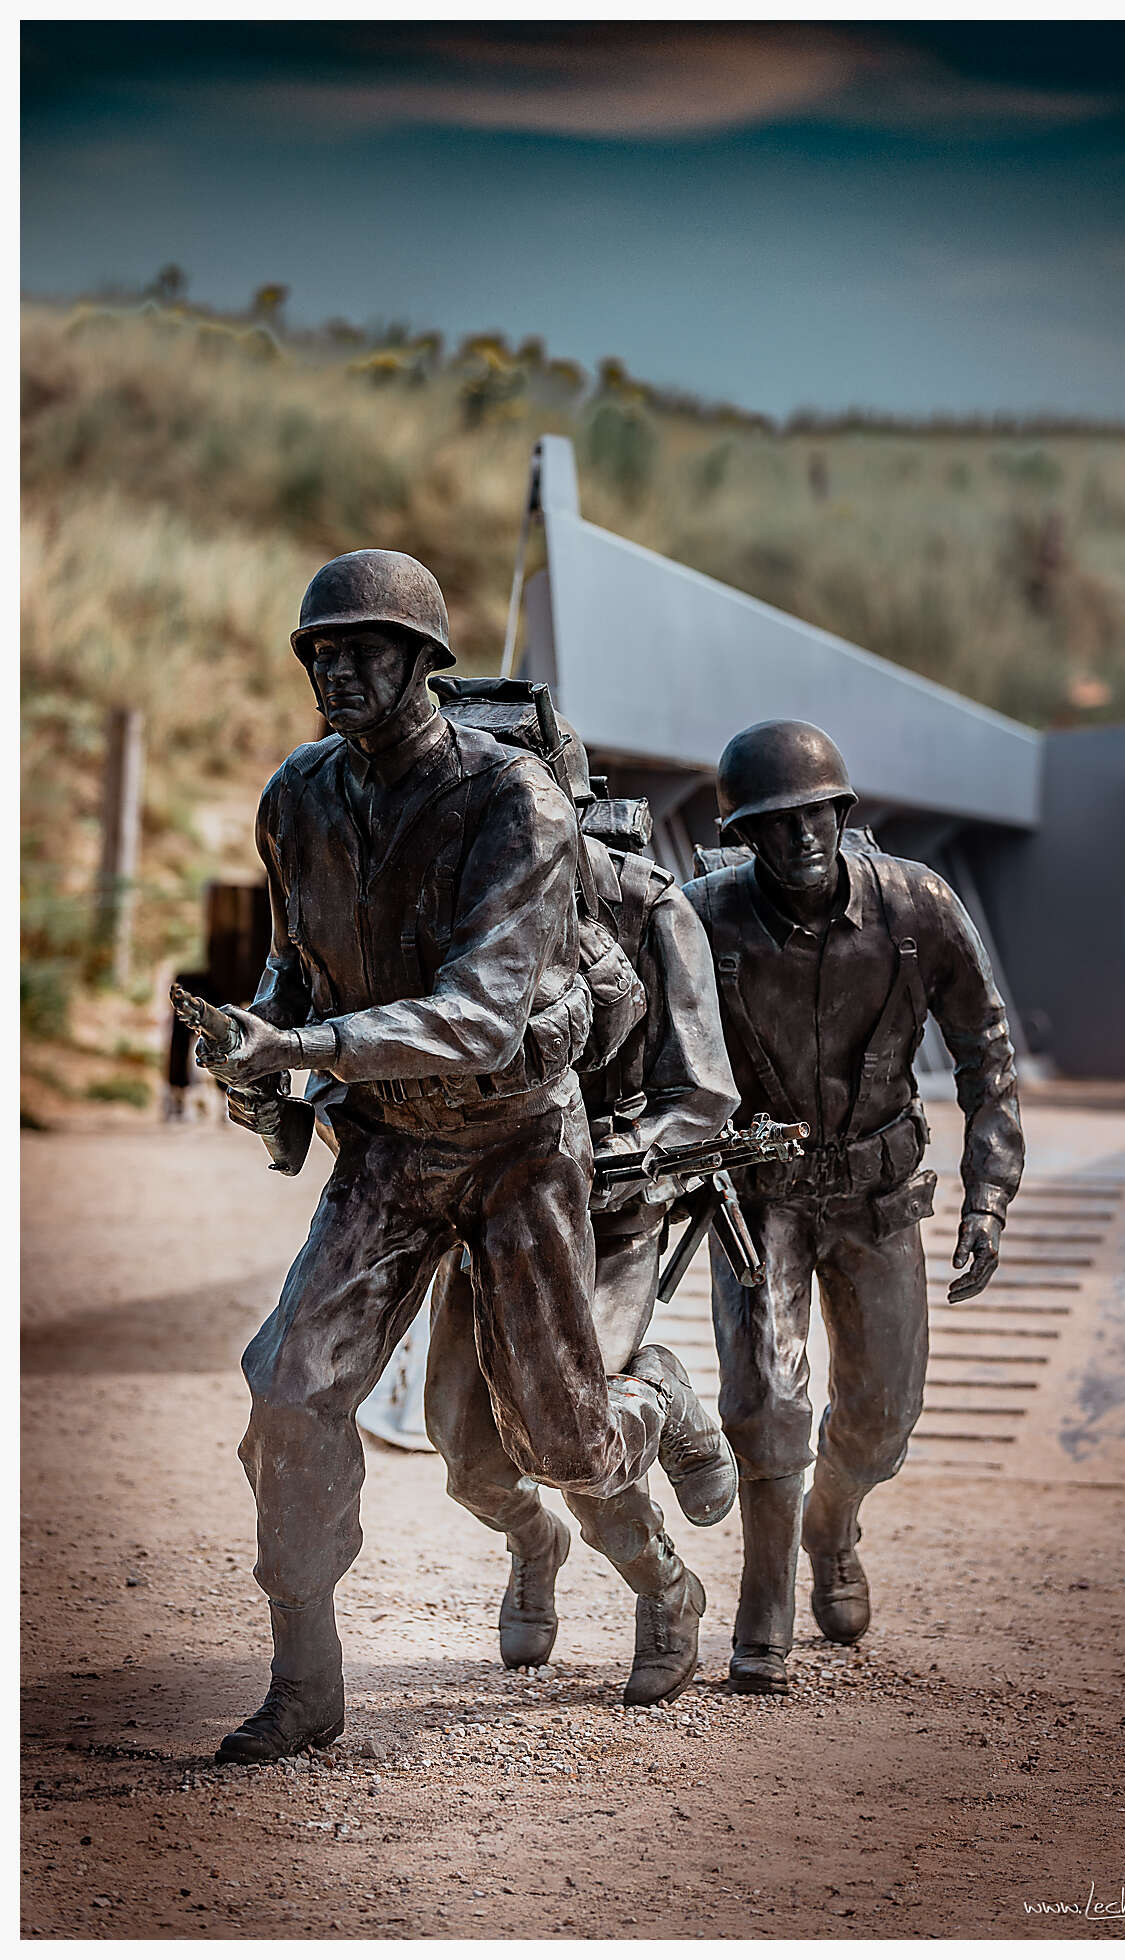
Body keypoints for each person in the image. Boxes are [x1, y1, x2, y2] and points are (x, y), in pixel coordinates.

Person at [193, 549, 735, 1762]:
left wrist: (305, 1043)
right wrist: (257, 1046)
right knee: (289, 1388)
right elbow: (296, 964)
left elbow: (483, 1015)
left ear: (422, 664)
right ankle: (304, 1680)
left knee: (556, 1435)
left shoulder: (512, 802)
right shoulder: (296, 797)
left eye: (362, 650)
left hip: (514, 1147)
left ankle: (661, 1514)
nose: (335, 669)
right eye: (320, 651)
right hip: (388, 1146)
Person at [684, 719, 1024, 1694]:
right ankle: (764, 1609)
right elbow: (646, 1050)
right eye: (774, 823)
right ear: (743, 834)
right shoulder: (700, 919)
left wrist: (988, 1193)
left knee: (880, 1419)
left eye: (815, 816)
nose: (800, 838)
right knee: (765, 1403)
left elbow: (986, 1050)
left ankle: (830, 1526)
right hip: (764, 1200)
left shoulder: (917, 907)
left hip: (878, 1196)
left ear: (843, 813)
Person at [427, 752, 739, 1705]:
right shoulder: (443, 902)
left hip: (607, 1219)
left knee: (572, 1434)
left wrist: (610, 1149)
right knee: (468, 1460)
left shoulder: (646, 906)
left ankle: (665, 1586)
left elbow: (704, 1095)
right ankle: (534, 1544)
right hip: (492, 1216)